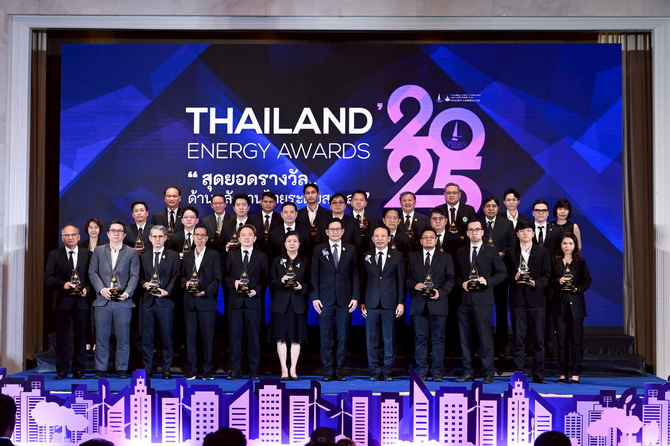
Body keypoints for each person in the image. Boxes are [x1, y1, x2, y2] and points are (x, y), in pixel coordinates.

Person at [454, 220, 507, 384]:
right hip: (465, 300)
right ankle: (468, 372)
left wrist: (487, 281)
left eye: (477, 229)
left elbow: (502, 273)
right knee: (465, 338)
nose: (474, 232)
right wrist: (461, 283)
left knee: (485, 337)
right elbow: (455, 275)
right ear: (467, 233)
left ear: (482, 232)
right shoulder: (461, 252)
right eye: (471, 230)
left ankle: (488, 372)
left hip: (483, 299)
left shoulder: (491, 250)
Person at [89, 220, 140, 378]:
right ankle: (101, 369)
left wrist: (127, 293)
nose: (116, 233)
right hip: (102, 301)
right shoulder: (98, 251)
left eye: (119, 231)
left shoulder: (131, 252)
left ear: (124, 235)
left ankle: (121, 368)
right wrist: (102, 290)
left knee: (123, 338)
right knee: (101, 338)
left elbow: (134, 275)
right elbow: (92, 272)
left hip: (123, 301)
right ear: (108, 233)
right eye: (113, 231)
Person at [311, 218, 359, 381]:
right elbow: (314, 275)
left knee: (342, 337)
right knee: (326, 336)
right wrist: (315, 297)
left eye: (338, 229)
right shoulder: (319, 249)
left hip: (345, 299)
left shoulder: (350, 249)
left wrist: (355, 297)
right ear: (327, 232)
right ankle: (327, 370)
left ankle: (339, 370)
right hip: (324, 300)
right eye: (332, 229)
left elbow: (355, 275)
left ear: (343, 231)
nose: (335, 232)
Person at [504, 221, 551, 384]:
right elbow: (504, 275)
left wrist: (536, 282)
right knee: (518, 338)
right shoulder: (510, 252)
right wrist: (514, 277)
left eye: (528, 230)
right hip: (517, 300)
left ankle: (538, 373)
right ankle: (519, 372)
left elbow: (547, 275)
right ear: (517, 234)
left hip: (537, 300)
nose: (525, 233)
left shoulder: (543, 251)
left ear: (533, 233)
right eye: (522, 231)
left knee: (538, 338)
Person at [44, 224, 92, 380]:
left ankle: (79, 370)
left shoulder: (88, 254)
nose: (70, 238)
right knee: (62, 337)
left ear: (79, 237)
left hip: (81, 302)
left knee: (81, 337)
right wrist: (63, 284)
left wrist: (87, 289)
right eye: (67, 235)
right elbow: (48, 277)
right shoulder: (54, 255)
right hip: (62, 302)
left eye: (73, 235)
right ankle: (62, 370)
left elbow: (92, 276)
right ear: (62, 238)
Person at [407, 228, 455, 382]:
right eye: (425, 237)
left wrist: (440, 292)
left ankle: (437, 372)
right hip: (419, 305)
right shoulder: (412, 257)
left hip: (438, 304)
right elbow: (406, 278)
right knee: (420, 339)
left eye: (431, 237)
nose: (428, 239)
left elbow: (451, 279)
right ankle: (421, 371)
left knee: (438, 339)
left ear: (436, 240)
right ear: (420, 241)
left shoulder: (446, 257)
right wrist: (414, 285)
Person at [360, 226, 405, 381]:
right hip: (371, 303)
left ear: (388, 238)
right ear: (372, 238)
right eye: (377, 236)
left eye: (383, 236)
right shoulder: (366, 256)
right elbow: (362, 280)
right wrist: (361, 302)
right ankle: (374, 371)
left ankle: (387, 371)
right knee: (371, 339)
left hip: (390, 303)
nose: (380, 239)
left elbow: (401, 281)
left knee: (389, 339)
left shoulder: (397, 256)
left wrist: (400, 302)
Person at [225, 224, 269, 380]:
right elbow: (225, 276)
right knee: (234, 337)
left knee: (254, 337)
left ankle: (254, 370)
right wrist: (234, 283)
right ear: (238, 238)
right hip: (235, 302)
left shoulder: (261, 256)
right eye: (243, 235)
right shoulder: (231, 256)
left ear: (255, 238)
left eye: (249, 234)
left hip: (253, 302)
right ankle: (234, 369)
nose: (246, 237)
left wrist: (257, 290)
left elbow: (266, 278)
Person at [139, 225, 180, 379]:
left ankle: (166, 369)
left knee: (166, 338)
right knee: (147, 338)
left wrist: (167, 291)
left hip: (165, 302)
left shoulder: (173, 255)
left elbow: (176, 275)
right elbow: (140, 277)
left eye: (160, 236)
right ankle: (147, 369)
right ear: (150, 238)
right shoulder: (144, 256)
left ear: (165, 238)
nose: (157, 239)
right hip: (148, 302)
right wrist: (145, 284)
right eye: (154, 236)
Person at [181, 225, 222, 380]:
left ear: (207, 238)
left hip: (206, 301)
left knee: (207, 338)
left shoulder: (214, 255)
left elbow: (217, 279)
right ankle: (192, 369)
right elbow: (182, 277)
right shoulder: (187, 256)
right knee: (190, 338)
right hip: (189, 302)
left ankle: (207, 370)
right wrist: (186, 284)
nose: (199, 238)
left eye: (202, 235)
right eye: (197, 235)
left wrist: (205, 291)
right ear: (193, 237)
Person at [269, 231, 310, 380]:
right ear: (284, 244)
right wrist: (281, 281)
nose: (292, 243)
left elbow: (311, 282)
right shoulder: (277, 260)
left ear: (299, 244)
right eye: (289, 241)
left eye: (295, 241)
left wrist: (301, 287)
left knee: (296, 338)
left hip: (298, 303)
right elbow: (271, 282)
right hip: (280, 304)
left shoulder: (305, 261)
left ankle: (293, 369)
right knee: (280, 338)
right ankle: (284, 369)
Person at [552, 232, 591, 384]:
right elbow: (548, 280)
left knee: (576, 341)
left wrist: (577, 289)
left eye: (570, 243)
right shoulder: (554, 261)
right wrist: (558, 281)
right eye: (564, 243)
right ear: (560, 245)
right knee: (561, 341)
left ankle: (575, 372)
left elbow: (587, 281)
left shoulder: (580, 262)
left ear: (575, 246)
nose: (567, 246)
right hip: (559, 304)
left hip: (576, 305)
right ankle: (563, 372)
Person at [481, 196, 516, 358]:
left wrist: (502, 253)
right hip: (481, 273)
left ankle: (501, 346)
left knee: (501, 310)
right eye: (488, 206)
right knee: (481, 311)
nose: (491, 209)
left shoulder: (506, 224)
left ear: (498, 208)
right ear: (483, 208)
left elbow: (512, 246)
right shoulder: (477, 224)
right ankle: (481, 344)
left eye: (493, 206)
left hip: (500, 273)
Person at [248, 191, 283, 256]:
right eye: (265, 201)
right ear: (261, 203)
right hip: (257, 254)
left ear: (275, 203)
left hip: (276, 254)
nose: (268, 204)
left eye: (271, 202)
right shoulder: (252, 219)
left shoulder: (280, 218)